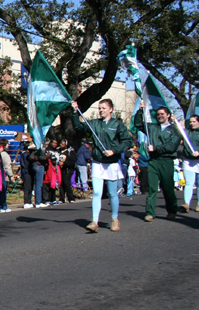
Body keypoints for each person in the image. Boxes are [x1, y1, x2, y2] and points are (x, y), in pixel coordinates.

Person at [72, 99, 133, 232]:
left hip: (111, 163)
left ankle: (115, 219)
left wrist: (114, 150)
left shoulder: (117, 125)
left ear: (111, 109)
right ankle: (94, 221)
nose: (101, 110)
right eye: (99, 108)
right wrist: (75, 112)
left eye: (104, 108)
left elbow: (127, 142)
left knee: (112, 193)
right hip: (98, 162)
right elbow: (79, 127)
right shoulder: (95, 123)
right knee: (97, 193)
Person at [134, 104, 180, 222]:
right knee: (152, 188)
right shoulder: (152, 127)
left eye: (162, 114)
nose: (160, 116)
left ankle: (172, 210)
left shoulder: (174, 130)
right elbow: (138, 124)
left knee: (168, 188)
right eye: (158, 114)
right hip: (154, 161)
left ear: (168, 115)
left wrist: (156, 148)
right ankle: (150, 213)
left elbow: (172, 146)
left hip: (166, 161)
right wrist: (140, 110)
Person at [179, 116, 199, 212]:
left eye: (194, 122)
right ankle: (186, 204)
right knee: (189, 183)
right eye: (190, 122)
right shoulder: (186, 132)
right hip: (188, 159)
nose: (191, 123)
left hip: (198, 160)